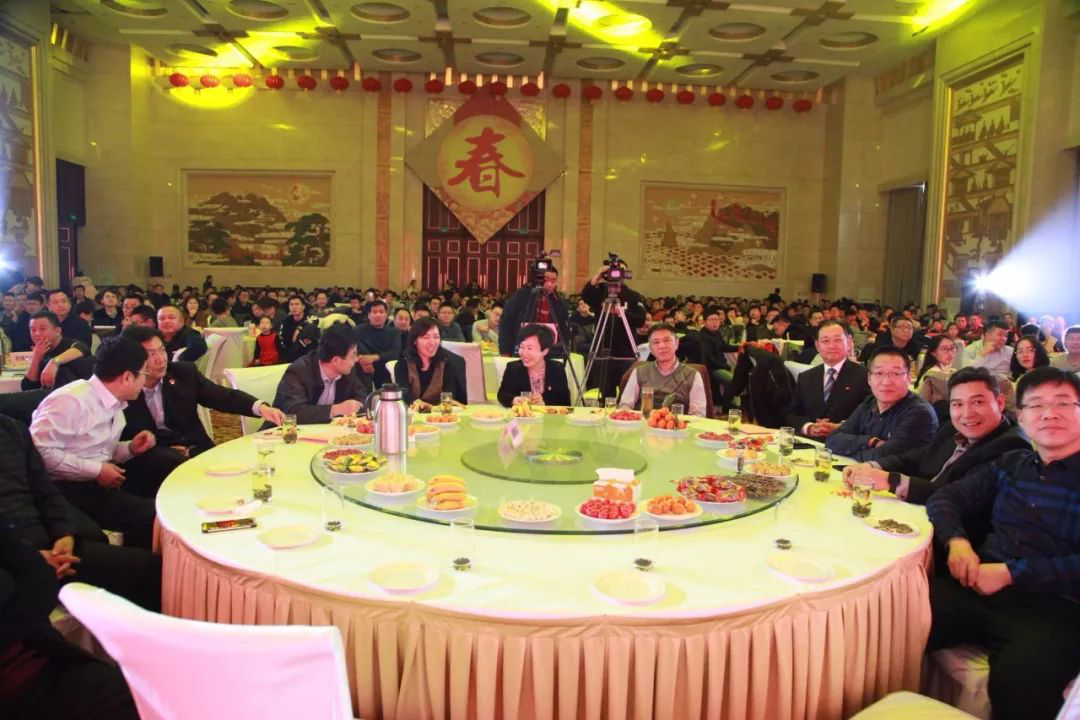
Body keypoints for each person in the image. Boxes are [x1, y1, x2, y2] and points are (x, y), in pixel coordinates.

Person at [925, 367, 1080, 719]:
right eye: (1036, 405)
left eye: (1062, 403)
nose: (1049, 413)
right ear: (1021, 417)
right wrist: (958, 541)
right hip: (976, 587)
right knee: (894, 618)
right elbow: (945, 498)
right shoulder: (1012, 463)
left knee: (1022, 688)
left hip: (1054, 608)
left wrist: (1013, 573)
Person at [0, 414, 163, 610]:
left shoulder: (12, 428)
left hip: (56, 548)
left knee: (156, 570)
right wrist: (27, 559)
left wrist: (64, 533)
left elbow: (46, 490)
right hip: (13, 565)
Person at [0, 511, 141, 719]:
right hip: (15, 690)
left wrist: (64, 532)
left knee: (153, 701)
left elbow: (40, 577)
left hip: (41, 663)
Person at [28, 336, 160, 549]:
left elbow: (98, 450)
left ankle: (134, 555)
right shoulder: (70, 400)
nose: (144, 382)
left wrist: (130, 448)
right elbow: (39, 453)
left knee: (158, 499)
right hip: (61, 490)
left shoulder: (114, 403)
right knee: (153, 515)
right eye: (143, 374)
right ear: (127, 377)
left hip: (95, 484)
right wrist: (96, 471)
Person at [842, 367, 1028, 504]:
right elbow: (917, 457)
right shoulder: (952, 428)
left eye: (977, 402)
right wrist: (873, 466)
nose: (967, 413)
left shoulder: (1011, 446)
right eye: (957, 404)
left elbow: (959, 497)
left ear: (1000, 402)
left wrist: (890, 480)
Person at [121, 326, 285, 460]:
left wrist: (261, 408)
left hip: (195, 449)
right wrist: (164, 450)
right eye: (151, 354)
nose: (161, 359)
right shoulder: (120, 388)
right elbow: (123, 440)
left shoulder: (182, 373)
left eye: (162, 350)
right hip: (148, 458)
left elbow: (221, 396)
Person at [825, 346, 939, 461]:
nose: (886, 382)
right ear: (869, 378)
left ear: (909, 378)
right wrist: (870, 441)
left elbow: (886, 458)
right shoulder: (870, 403)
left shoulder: (920, 413)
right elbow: (833, 440)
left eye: (895, 373)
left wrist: (852, 452)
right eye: (879, 373)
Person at [785, 321, 870, 439]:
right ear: (817, 345)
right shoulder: (806, 377)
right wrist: (809, 427)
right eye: (825, 341)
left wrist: (841, 427)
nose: (831, 346)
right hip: (810, 443)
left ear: (849, 342)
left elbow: (871, 417)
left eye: (837, 340)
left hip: (847, 443)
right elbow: (792, 415)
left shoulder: (866, 376)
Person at [269, 324, 367, 424]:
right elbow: (294, 412)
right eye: (353, 354)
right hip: (282, 431)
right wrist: (336, 409)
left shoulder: (347, 371)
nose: (356, 359)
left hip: (327, 431)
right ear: (336, 360)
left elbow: (362, 397)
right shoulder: (298, 371)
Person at [579, 264, 647, 398]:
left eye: (620, 271)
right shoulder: (601, 292)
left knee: (628, 390)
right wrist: (598, 275)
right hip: (603, 348)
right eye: (613, 271)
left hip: (626, 350)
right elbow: (585, 296)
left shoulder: (633, 296)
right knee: (605, 392)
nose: (617, 274)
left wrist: (619, 312)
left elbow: (640, 320)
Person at [618, 324, 707, 417]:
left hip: (675, 424)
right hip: (642, 422)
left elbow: (697, 414)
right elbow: (625, 405)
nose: (662, 346)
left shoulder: (692, 375)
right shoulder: (639, 372)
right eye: (656, 342)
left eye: (666, 340)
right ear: (651, 349)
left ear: (676, 343)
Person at [394, 317, 468, 405]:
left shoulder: (446, 364)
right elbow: (404, 394)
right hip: (411, 412)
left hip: (438, 412)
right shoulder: (403, 364)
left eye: (436, 337)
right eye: (426, 337)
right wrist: (417, 404)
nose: (432, 342)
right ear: (414, 341)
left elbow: (449, 394)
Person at [499, 266, 569, 357]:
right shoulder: (523, 295)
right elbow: (506, 323)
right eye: (546, 280)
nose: (549, 285)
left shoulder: (558, 301)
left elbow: (564, 328)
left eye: (553, 281)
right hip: (523, 350)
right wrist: (505, 350)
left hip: (550, 351)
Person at [496, 324, 571, 408]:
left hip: (548, 415)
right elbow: (502, 395)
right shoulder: (513, 368)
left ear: (545, 351)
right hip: (522, 415)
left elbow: (565, 402)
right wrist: (513, 400)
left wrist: (544, 404)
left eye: (530, 348)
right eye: (522, 347)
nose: (524, 353)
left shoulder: (556, 369)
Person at [20, 311, 93, 391]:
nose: (37, 334)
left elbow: (83, 348)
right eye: (33, 330)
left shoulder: (70, 345)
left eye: (42, 329)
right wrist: (36, 357)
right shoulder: (39, 350)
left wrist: (54, 362)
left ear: (58, 330)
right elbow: (28, 387)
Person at [355, 299, 400, 388]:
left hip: (386, 370)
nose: (378, 315)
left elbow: (395, 353)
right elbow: (353, 350)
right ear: (369, 315)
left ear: (386, 315)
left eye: (381, 312)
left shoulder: (394, 332)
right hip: (363, 369)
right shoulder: (358, 330)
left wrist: (373, 358)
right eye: (374, 312)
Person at [915, 335, 960, 406]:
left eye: (952, 348)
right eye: (944, 349)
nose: (950, 353)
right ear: (933, 353)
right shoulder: (932, 374)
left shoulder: (951, 371)